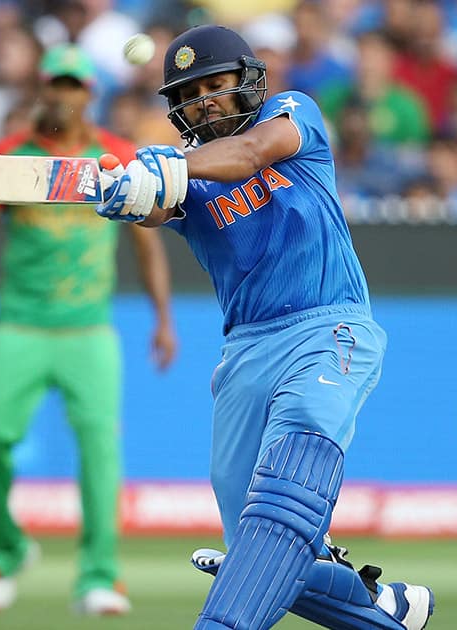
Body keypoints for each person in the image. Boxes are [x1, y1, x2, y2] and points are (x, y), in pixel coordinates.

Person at [93, 24, 435, 630]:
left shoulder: (290, 112)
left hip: (328, 327)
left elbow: (250, 155)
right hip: (245, 354)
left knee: (283, 507)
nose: (202, 101)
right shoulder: (188, 178)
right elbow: (157, 207)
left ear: (247, 81)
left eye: (214, 86)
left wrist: (166, 168)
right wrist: (125, 189)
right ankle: (388, 609)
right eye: (188, 94)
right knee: (269, 548)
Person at [0, 44, 178, 616]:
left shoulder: (116, 158)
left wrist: (163, 318)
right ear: (42, 90)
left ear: (89, 94)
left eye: (74, 85)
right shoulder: (12, 156)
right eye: (56, 84)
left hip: (89, 331)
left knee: (100, 452)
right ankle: (6, 549)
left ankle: (100, 577)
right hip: (19, 323)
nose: (64, 95)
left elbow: (146, 242)